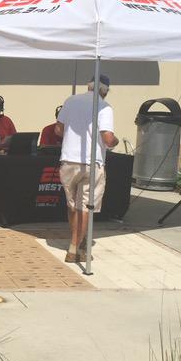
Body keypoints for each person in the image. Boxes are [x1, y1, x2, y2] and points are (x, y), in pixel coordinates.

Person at [56, 75, 118, 264]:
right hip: (92, 162)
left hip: (68, 159)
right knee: (85, 207)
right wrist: (115, 141)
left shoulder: (71, 100)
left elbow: (58, 130)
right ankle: (76, 246)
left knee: (72, 205)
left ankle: (75, 244)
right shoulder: (104, 107)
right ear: (105, 90)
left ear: (88, 86)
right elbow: (107, 138)